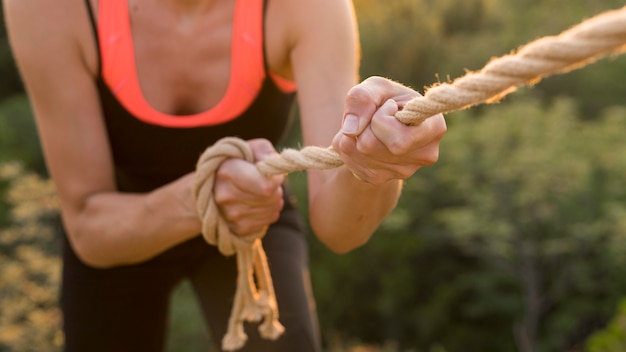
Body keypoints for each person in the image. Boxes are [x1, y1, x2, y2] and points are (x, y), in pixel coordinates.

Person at [4, 0, 447, 351]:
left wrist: (376, 163)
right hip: (122, 228)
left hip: (254, 215)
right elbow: (88, 226)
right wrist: (202, 198)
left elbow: (340, 229)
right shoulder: (51, 6)